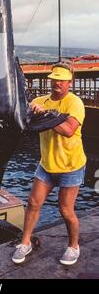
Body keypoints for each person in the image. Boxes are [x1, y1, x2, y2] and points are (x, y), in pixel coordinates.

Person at [12, 62, 86, 266]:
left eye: (61, 80)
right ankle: (25, 243)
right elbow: (23, 121)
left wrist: (46, 114)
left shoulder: (75, 103)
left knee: (65, 209)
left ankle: (73, 247)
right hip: (46, 165)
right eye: (54, 80)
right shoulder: (39, 101)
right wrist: (32, 112)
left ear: (69, 82)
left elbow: (69, 130)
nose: (57, 84)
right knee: (33, 204)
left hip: (71, 166)